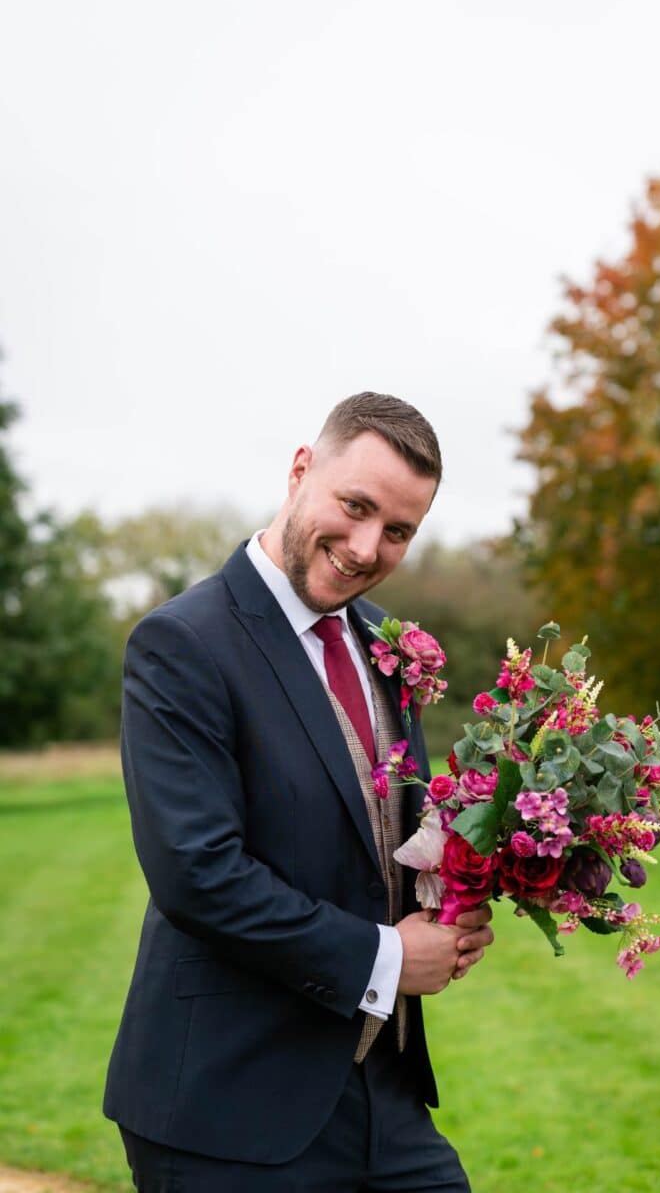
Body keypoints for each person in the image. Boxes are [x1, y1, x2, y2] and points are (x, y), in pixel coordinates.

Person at [103, 392, 495, 1191]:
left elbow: (387, 829)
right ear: (300, 470)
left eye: (397, 531)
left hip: (384, 1095)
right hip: (228, 1109)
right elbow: (198, 874)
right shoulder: (183, 644)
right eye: (354, 507)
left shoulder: (389, 646)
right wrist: (388, 956)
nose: (363, 547)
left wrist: (458, 896)